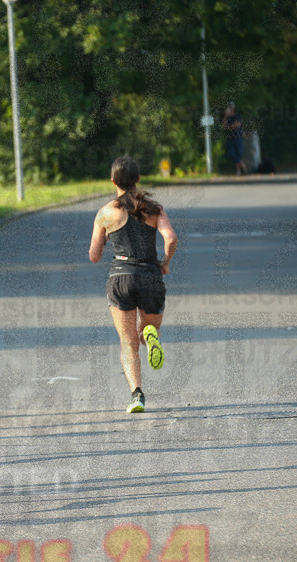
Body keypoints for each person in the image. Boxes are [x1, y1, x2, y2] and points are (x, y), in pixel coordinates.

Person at [88, 156, 177, 414]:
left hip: (120, 279)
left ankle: (137, 395)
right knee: (147, 331)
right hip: (150, 276)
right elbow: (170, 238)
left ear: (113, 181)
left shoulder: (105, 213)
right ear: (138, 179)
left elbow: (94, 256)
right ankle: (150, 335)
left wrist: (106, 238)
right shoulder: (154, 209)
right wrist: (166, 261)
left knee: (128, 343)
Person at [222, 103, 246, 175]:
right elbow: (224, 125)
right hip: (230, 138)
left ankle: (238, 171)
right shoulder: (227, 118)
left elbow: (237, 125)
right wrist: (226, 116)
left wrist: (229, 127)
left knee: (239, 154)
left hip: (238, 137)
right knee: (232, 153)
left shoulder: (237, 116)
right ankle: (242, 165)